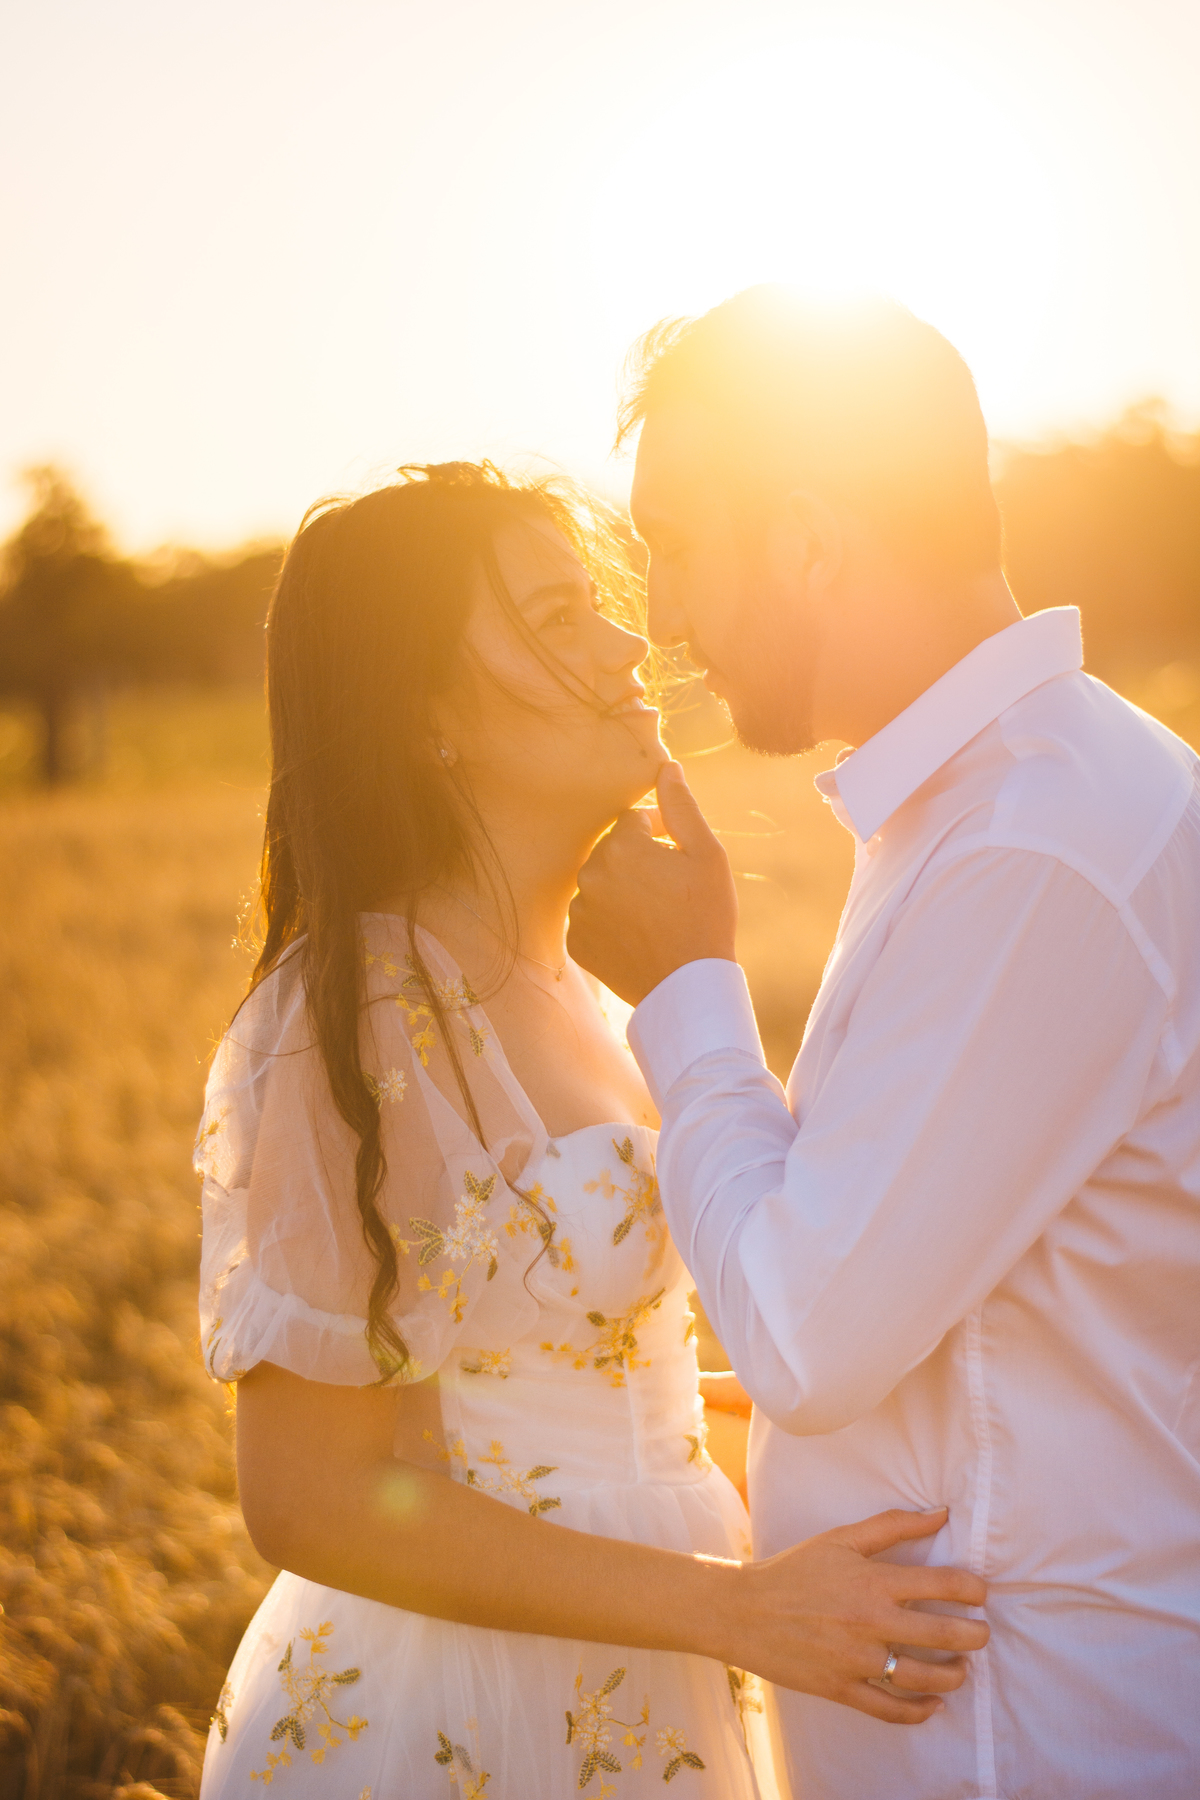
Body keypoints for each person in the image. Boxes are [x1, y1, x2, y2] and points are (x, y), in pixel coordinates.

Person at [194, 461, 987, 1800]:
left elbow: (612, 1374)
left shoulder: (618, 993)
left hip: (664, 1679)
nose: (633, 644)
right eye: (560, 621)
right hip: (449, 1710)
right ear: (426, 714)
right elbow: (310, 1495)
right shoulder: (344, 1017)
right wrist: (735, 1611)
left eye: (602, 608)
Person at [567, 287, 1200, 1800]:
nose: (658, 615)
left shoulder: (1032, 845)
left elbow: (810, 1338)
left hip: (1032, 1747)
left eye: (675, 544)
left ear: (804, 538)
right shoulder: (993, 809)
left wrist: (688, 991)